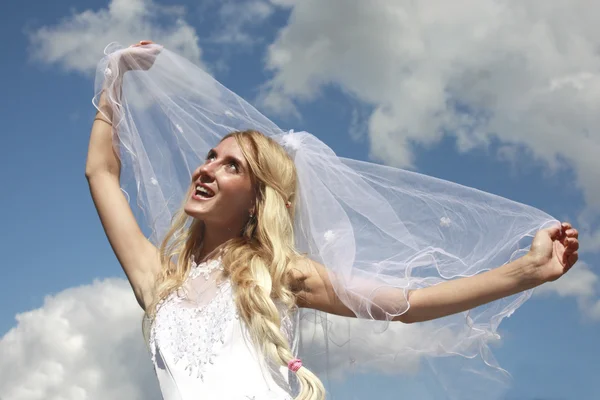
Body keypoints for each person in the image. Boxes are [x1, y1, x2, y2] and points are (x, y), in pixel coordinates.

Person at [86, 41, 580, 400]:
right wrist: (114, 78)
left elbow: (408, 305)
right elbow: (102, 173)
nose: (206, 168)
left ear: (259, 201)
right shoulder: (160, 284)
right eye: (210, 157)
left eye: (231, 165)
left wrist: (525, 272)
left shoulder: (282, 273)